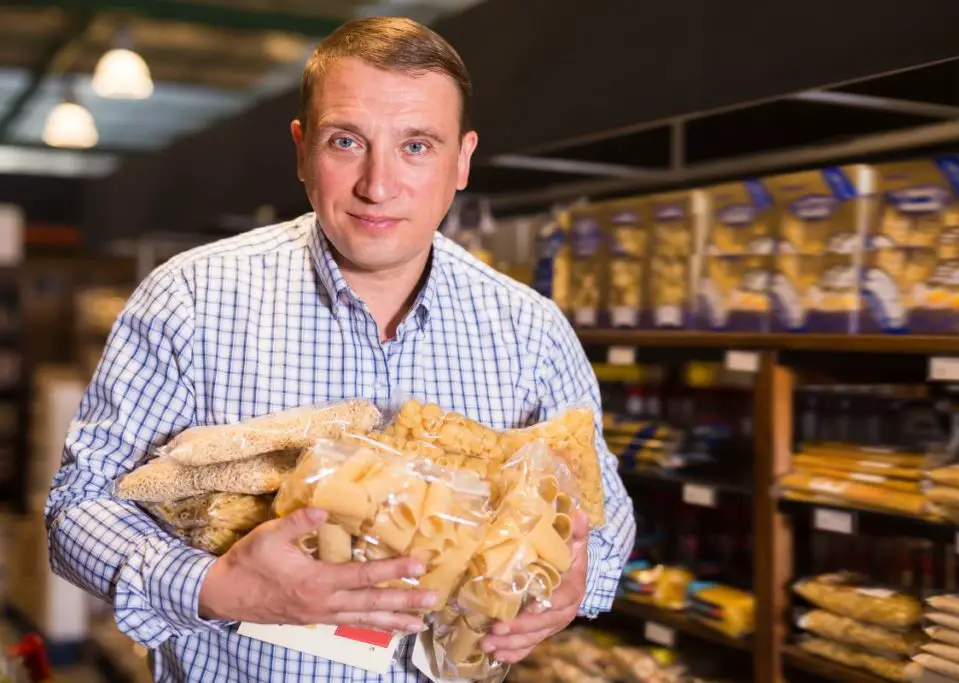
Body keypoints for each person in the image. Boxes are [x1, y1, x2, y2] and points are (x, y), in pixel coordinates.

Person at [45, 15, 635, 683]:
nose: (378, 185)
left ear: (463, 159)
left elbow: (606, 518)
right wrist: (215, 585)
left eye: (417, 145)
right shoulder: (190, 299)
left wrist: (573, 583)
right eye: (347, 141)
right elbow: (79, 505)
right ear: (301, 149)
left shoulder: (531, 329)